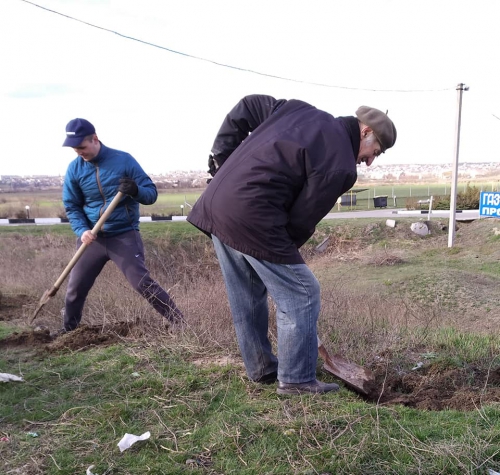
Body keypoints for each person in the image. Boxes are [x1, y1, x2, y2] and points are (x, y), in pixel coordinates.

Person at [188, 95, 396, 395]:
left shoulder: (297, 110)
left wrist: (222, 157)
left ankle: (261, 369)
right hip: (254, 215)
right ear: (364, 132)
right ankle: (297, 380)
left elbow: (247, 106)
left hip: (217, 204)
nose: (370, 161)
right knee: (303, 293)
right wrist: (283, 260)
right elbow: (300, 220)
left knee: (248, 290)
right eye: (374, 151)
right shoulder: (341, 166)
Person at [58, 118, 184, 334]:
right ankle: (69, 332)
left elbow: (151, 194)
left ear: (95, 139)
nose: (79, 152)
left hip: (123, 235)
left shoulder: (123, 160)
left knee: (142, 283)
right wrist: (82, 231)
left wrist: (135, 190)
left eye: (82, 147)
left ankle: (180, 323)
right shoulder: (75, 169)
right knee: (75, 290)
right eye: (74, 148)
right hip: (92, 239)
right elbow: (72, 206)